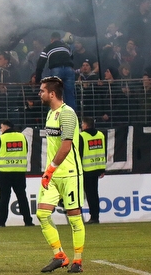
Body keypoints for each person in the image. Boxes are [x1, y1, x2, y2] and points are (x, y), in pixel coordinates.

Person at [36, 76, 85, 273]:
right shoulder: (50, 114)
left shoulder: (67, 114)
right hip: (54, 175)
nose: (40, 94)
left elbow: (66, 146)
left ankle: (78, 262)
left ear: (52, 94)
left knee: (74, 218)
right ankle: (60, 255)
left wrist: (49, 169)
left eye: (42, 91)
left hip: (70, 174)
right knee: (42, 213)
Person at [0, 121, 34, 228]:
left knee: (4, 198)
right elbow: (26, 150)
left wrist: (2, 158)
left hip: (5, 173)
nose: (1, 129)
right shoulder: (22, 136)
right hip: (19, 172)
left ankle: (1, 222)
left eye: (1, 127)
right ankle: (28, 221)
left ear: (5, 126)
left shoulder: (2, 137)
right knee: (22, 196)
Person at [34, 32, 76, 109]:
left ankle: (55, 114)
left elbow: (40, 63)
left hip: (56, 70)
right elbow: (71, 58)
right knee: (69, 94)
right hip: (69, 69)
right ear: (60, 39)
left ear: (51, 39)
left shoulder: (48, 47)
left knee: (54, 93)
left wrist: (38, 78)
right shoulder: (66, 47)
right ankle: (72, 116)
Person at [79, 117, 106, 224]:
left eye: (82, 124)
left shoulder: (82, 136)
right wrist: (102, 169)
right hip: (97, 168)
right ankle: (96, 216)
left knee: (90, 194)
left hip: (86, 169)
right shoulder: (100, 135)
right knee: (95, 193)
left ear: (86, 125)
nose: (81, 126)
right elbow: (103, 151)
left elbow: (79, 154)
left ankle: (93, 217)